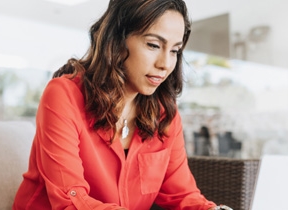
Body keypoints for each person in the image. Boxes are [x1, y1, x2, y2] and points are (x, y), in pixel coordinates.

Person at [13, 0, 228, 209]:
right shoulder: (63, 94)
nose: (165, 64)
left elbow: (182, 194)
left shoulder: (164, 113)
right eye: (153, 45)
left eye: (174, 51)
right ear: (116, 40)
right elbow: (70, 200)